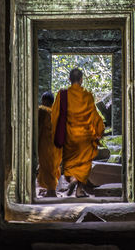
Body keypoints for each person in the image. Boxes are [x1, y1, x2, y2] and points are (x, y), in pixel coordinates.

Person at [51, 68, 105, 198]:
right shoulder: (87, 95)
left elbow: (55, 115)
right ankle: (79, 189)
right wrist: (99, 131)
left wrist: (52, 133)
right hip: (85, 137)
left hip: (70, 137)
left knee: (69, 163)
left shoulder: (62, 95)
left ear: (69, 79)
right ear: (81, 80)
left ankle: (73, 179)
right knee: (84, 164)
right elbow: (94, 116)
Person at [37, 91, 62, 197]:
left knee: (47, 167)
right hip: (58, 146)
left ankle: (51, 192)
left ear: (44, 100)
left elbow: (38, 127)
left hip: (46, 144)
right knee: (54, 167)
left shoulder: (42, 111)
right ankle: (51, 190)